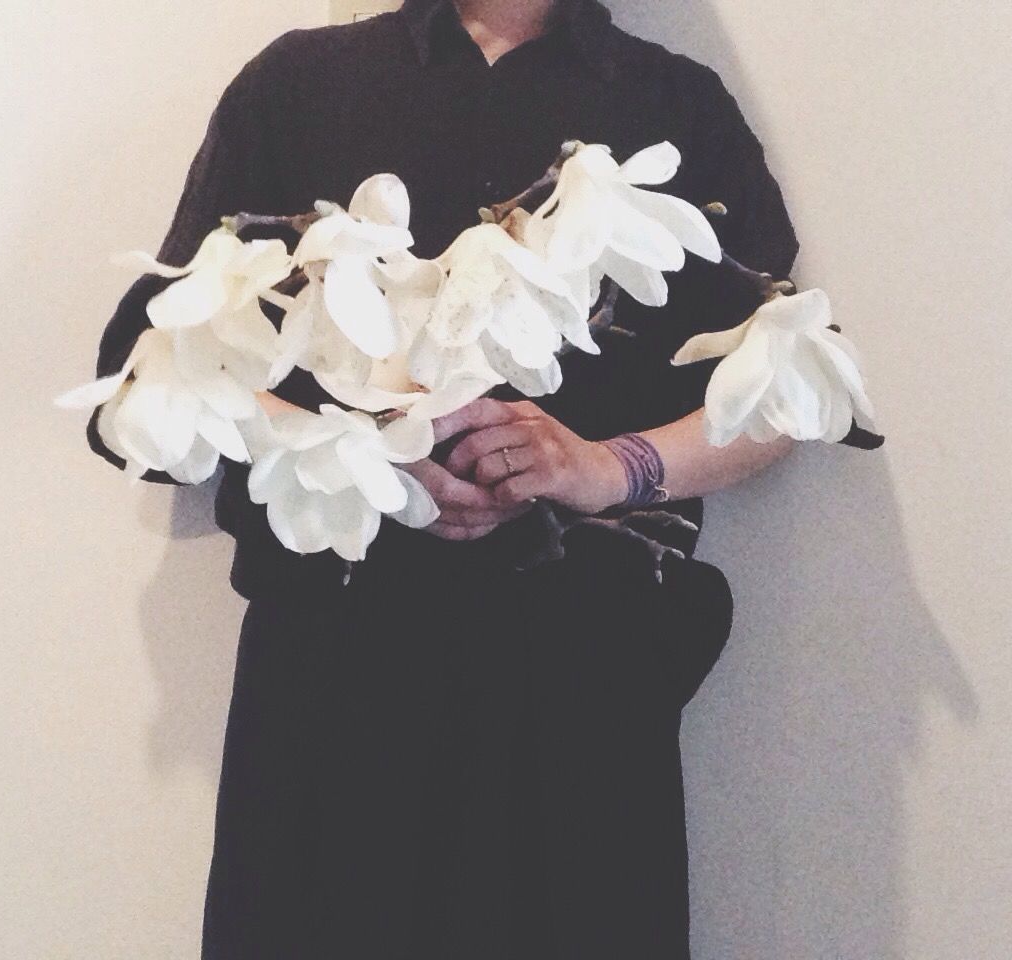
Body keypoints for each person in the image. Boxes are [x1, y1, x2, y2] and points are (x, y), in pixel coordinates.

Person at [84, 1, 800, 956]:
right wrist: (354, 453)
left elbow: (785, 393)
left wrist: (603, 467)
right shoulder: (301, 85)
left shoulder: (676, 105)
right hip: (336, 667)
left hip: (579, 679)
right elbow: (145, 367)